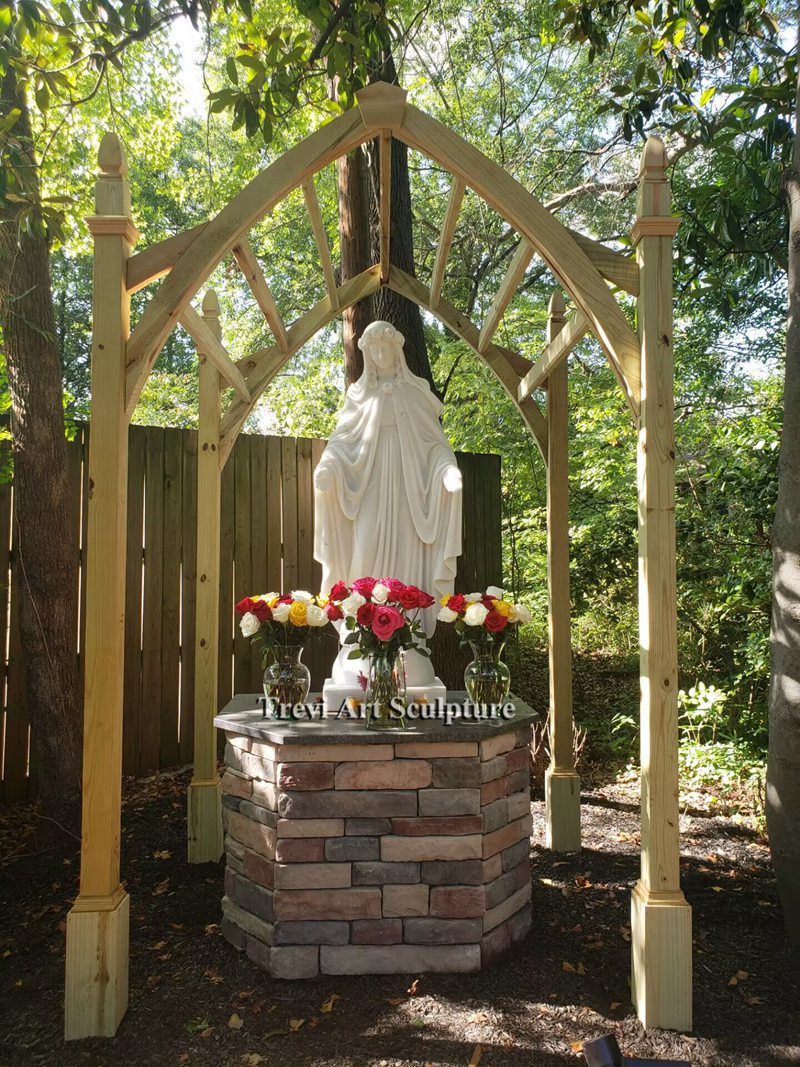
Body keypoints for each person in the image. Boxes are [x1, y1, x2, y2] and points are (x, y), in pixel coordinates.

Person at [314, 321, 462, 689]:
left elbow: (436, 447)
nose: (380, 356)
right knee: (362, 555)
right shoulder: (358, 398)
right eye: (373, 351)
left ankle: (406, 641)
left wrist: (448, 472)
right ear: (366, 356)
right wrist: (327, 469)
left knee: (408, 568)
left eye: (386, 349)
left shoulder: (416, 395)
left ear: (397, 352)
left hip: (412, 497)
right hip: (369, 491)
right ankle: (362, 639)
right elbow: (340, 445)